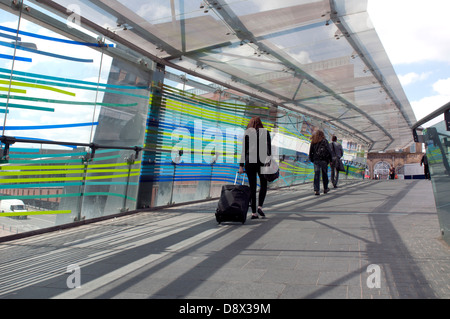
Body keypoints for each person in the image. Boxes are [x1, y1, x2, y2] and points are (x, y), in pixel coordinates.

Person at [239, 116, 271, 219]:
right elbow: (269, 150)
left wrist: (241, 166)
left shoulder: (247, 133)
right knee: (263, 184)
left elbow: (244, 150)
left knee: (252, 187)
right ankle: (260, 206)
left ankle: (253, 213)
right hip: (262, 161)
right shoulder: (265, 132)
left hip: (250, 162)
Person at [309, 130, 332, 195]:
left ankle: (316, 190)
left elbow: (311, 151)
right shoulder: (325, 141)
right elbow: (329, 151)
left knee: (317, 174)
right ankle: (325, 188)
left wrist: (312, 159)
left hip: (316, 160)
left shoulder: (313, 141)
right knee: (324, 174)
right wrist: (330, 160)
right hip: (324, 160)